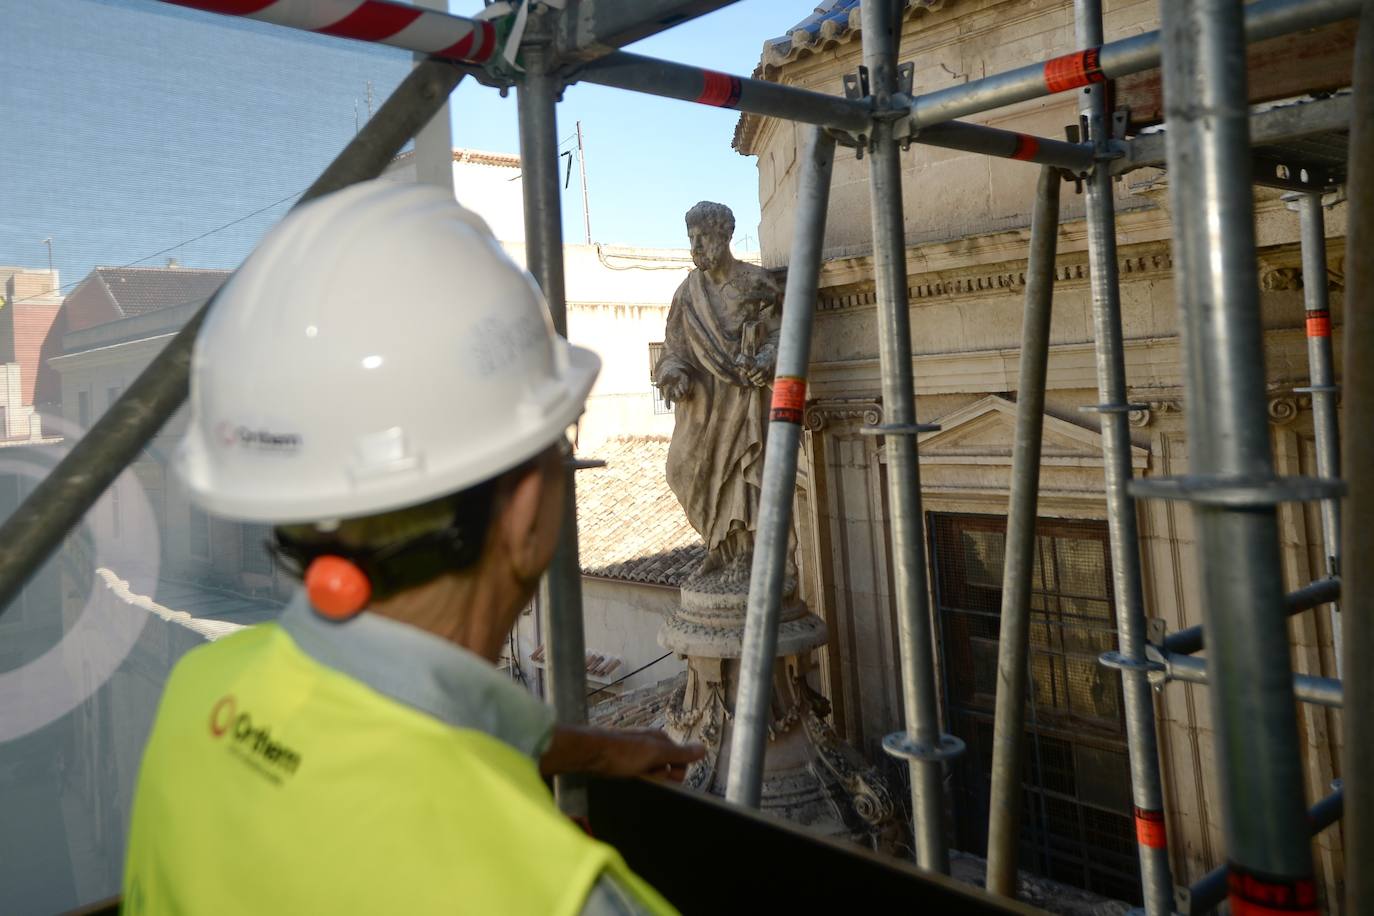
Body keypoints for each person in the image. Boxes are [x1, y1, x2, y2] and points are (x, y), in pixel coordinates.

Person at [123, 180, 701, 914]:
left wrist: (595, 750)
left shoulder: (199, 693)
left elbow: (402, 726)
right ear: (524, 511)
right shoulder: (559, 895)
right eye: (560, 442)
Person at [652, 202, 783, 578]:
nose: (695, 246)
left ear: (725, 236)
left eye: (702, 237)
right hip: (704, 404)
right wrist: (673, 374)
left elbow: (781, 333)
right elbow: (672, 349)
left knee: (744, 475)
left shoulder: (756, 284)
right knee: (681, 468)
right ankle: (717, 541)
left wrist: (766, 360)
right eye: (691, 238)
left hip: (745, 398)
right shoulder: (687, 293)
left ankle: (742, 553)